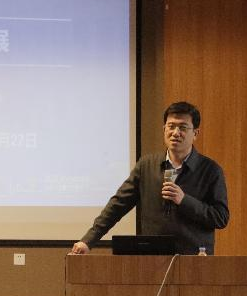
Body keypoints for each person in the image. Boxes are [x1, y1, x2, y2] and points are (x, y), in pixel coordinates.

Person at [71, 101, 229, 255]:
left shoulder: (210, 170)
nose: (175, 133)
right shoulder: (147, 165)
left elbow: (220, 218)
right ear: (164, 129)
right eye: (171, 126)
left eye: (182, 127)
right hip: (152, 258)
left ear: (195, 133)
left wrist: (184, 200)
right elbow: (117, 205)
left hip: (193, 258)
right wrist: (88, 241)